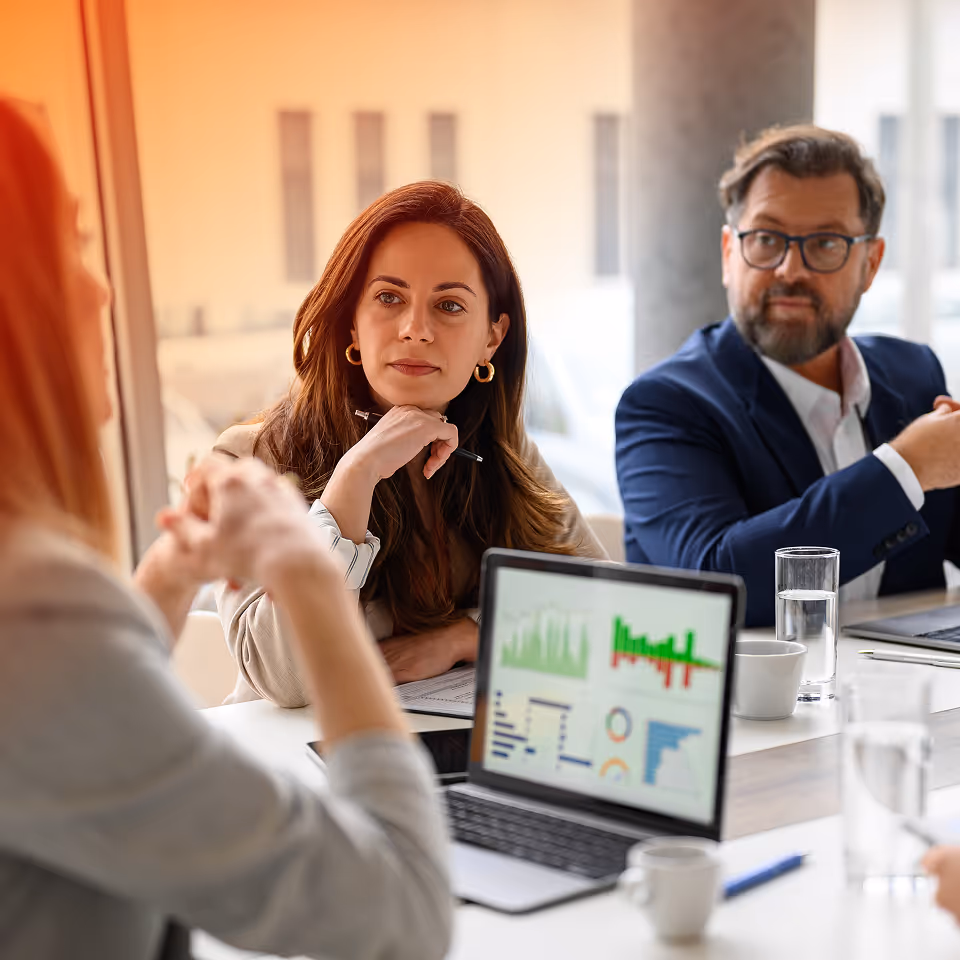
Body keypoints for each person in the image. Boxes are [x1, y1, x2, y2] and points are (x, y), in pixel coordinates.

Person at [0, 98, 451, 960]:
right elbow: (401, 915)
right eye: (67, 244)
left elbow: (77, 706)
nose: (97, 285)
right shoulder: (32, 607)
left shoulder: (38, 602)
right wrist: (311, 572)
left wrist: (166, 579)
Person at [214, 180, 606, 705]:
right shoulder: (251, 460)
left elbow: (608, 612)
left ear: (492, 336)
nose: (416, 329)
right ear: (352, 323)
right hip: (300, 769)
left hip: (439, 764)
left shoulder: (500, 450)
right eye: (389, 298)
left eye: (448, 305)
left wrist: (465, 637)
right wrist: (354, 479)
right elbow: (287, 681)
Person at [615, 124, 960, 626]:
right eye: (767, 238)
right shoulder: (664, 405)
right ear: (730, 254)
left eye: (824, 243)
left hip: (915, 696)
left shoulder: (913, 375)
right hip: (755, 704)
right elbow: (717, 583)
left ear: (870, 263)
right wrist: (904, 468)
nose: (789, 269)